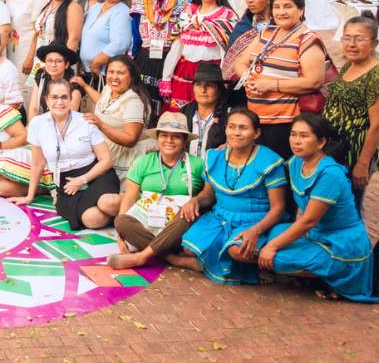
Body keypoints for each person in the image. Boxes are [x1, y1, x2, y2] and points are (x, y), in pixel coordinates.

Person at [259, 114, 376, 302]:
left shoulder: (329, 174)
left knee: (275, 258)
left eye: (304, 136)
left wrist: (272, 247)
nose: (296, 141)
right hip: (316, 234)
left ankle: (334, 277)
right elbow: (272, 166)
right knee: (276, 231)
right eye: (293, 134)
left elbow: (309, 221)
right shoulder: (297, 161)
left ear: (321, 142)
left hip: (340, 243)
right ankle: (315, 273)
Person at [180, 108, 288, 286]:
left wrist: (256, 231)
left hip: (256, 220)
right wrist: (195, 200)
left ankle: (262, 267)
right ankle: (200, 262)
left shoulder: (269, 162)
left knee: (237, 250)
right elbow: (208, 194)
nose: (236, 132)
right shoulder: (216, 157)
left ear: (256, 133)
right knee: (189, 248)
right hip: (221, 216)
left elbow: (278, 208)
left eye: (243, 128)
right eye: (232, 127)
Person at [234, 0, 328, 159]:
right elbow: (240, 63)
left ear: (301, 10)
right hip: (255, 119)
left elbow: (314, 81)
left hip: (284, 123)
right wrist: (248, 79)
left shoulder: (307, 40)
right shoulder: (267, 33)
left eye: (288, 6)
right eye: (276, 7)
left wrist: (271, 84)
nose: (281, 12)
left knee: (279, 173)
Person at [14, 79, 120, 230]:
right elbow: (37, 164)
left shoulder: (85, 121)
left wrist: (83, 180)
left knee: (107, 203)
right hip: (66, 184)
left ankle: (127, 206)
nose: (60, 102)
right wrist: (29, 196)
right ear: (46, 99)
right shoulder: (37, 124)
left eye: (64, 97)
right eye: (54, 97)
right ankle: (120, 214)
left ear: (71, 99)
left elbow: (106, 160)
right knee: (91, 220)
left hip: (95, 174)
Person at [109, 112, 206, 271]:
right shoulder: (143, 162)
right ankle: (172, 258)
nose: (169, 140)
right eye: (164, 135)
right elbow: (129, 199)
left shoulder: (197, 165)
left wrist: (195, 202)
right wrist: (120, 235)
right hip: (148, 223)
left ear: (184, 141)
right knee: (121, 220)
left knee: (188, 214)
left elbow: (207, 196)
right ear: (157, 138)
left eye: (176, 137)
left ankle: (142, 256)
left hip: (179, 228)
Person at [323, 15, 379, 211]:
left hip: (355, 150)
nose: (351, 44)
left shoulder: (377, 77)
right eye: (347, 37)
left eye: (359, 39)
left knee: (349, 208)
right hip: (335, 147)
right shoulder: (349, 65)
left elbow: (378, 124)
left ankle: (355, 241)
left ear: (374, 44)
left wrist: (362, 163)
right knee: (330, 205)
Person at [163, 0, 237, 110]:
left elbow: (228, 53)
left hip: (213, 74)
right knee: (181, 116)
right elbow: (177, 48)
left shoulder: (228, 16)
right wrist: (166, 77)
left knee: (208, 113)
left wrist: (225, 77)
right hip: (185, 72)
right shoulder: (188, 13)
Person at [76, 55, 152, 180]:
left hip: (118, 163)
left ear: (131, 76)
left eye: (121, 73)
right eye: (111, 72)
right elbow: (102, 102)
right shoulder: (108, 89)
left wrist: (101, 125)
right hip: (100, 154)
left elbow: (131, 139)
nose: (114, 77)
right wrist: (85, 86)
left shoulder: (133, 102)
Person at [131, 0, 191, 114]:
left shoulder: (185, 3)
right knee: (141, 105)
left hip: (172, 60)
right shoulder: (141, 0)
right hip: (144, 59)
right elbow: (135, 36)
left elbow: (185, 37)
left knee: (167, 109)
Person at [0, 80, 48, 199]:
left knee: (3, 163)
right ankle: (40, 189)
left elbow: (25, 137)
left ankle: (41, 185)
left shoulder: (2, 112)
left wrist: (0, 145)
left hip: (15, 154)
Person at [24, 0, 83, 74]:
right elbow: (37, 34)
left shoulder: (73, 7)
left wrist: (63, 65)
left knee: (54, 89)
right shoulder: (48, 6)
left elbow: (74, 39)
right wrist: (30, 57)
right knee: (36, 88)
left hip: (58, 64)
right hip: (40, 62)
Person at [79, 0, 133, 77]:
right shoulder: (95, 8)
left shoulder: (122, 11)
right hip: (86, 70)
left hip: (103, 72)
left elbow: (120, 44)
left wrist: (96, 63)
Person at [6, 0, 48, 74]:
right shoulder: (11, 0)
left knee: (29, 86)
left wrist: (30, 58)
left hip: (30, 54)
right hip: (13, 51)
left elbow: (39, 32)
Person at [182, 63, 228, 159]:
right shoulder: (184, 113)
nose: (203, 90)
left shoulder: (228, 117)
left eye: (209, 85)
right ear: (193, 88)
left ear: (219, 90)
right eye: (198, 84)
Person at [26, 44, 82, 120]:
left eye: (58, 61)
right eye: (49, 61)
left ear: (66, 64)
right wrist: (32, 127)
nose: (53, 65)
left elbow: (68, 118)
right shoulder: (41, 79)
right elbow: (34, 108)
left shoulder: (74, 86)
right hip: (42, 125)